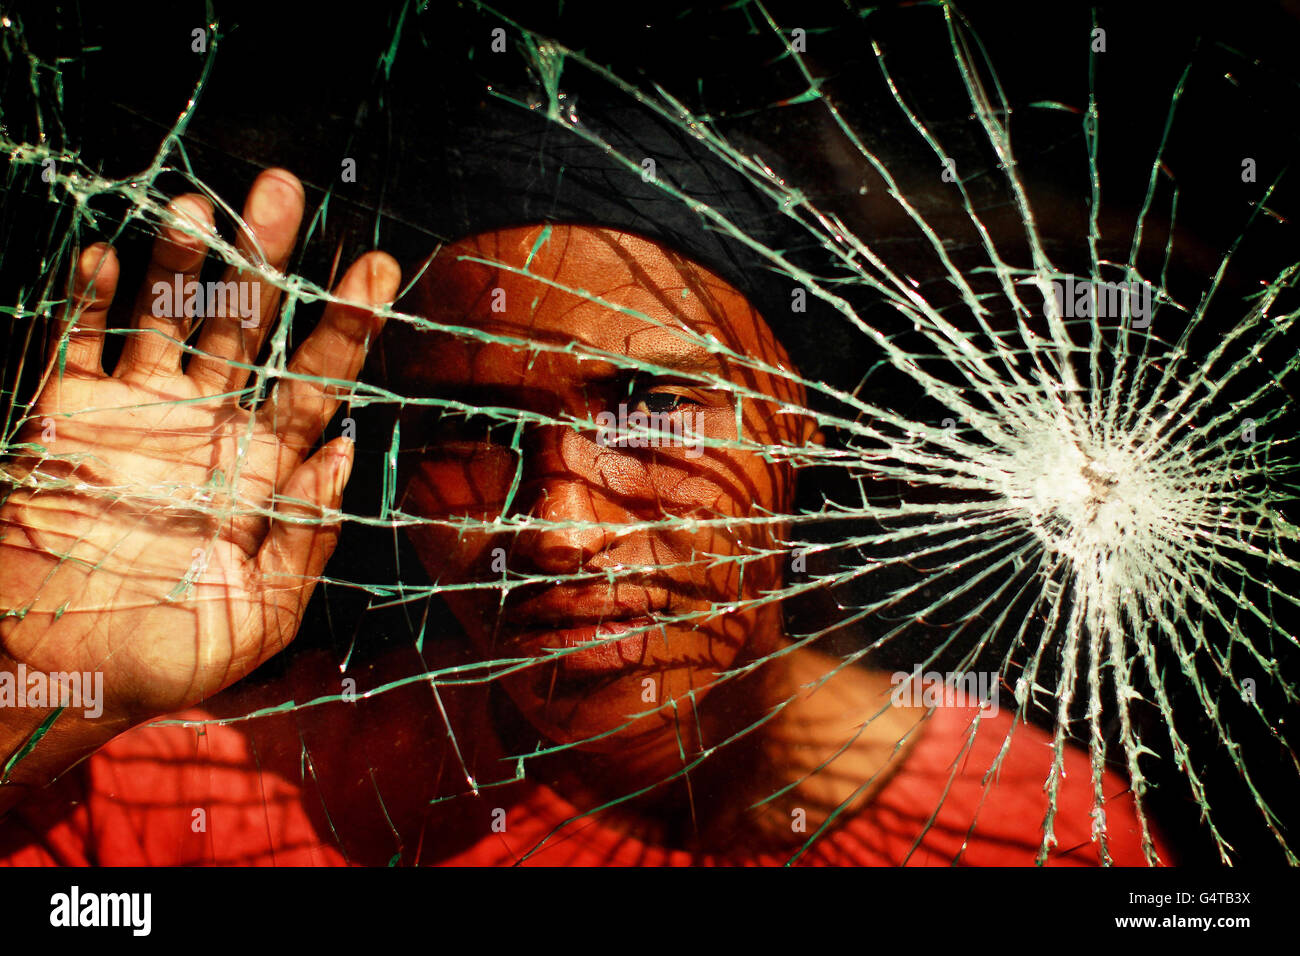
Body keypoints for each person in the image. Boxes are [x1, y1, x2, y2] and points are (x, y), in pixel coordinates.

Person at [0, 168, 1170, 866]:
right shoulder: (205, 804)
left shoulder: (1041, 834)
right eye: (471, 432)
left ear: (797, 420)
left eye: (653, 411)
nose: (558, 529)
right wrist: (33, 692)